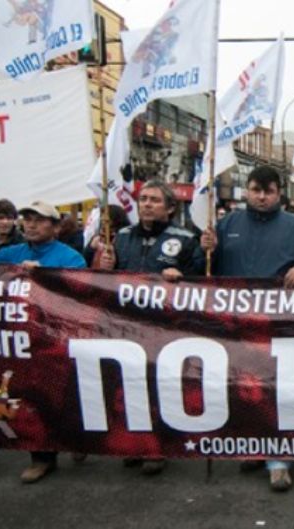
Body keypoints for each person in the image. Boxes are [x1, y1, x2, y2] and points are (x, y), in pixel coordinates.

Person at [199, 165, 294, 492]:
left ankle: (279, 459)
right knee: (243, 388)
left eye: (268, 191)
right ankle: (253, 447)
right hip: (237, 325)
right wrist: (204, 249)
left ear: (279, 195)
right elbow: (201, 270)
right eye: (256, 189)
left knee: (277, 389)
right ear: (246, 191)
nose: (261, 196)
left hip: (281, 325)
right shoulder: (227, 225)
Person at [0, 200, 86, 484]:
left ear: (55, 227)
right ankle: (41, 457)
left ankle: (79, 440)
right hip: (21, 341)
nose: (30, 224)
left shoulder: (71, 258)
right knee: (33, 398)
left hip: (57, 341)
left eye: (39, 219)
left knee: (67, 396)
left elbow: (77, 295)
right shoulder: (10, 253)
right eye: (27, 218)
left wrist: (42, 277)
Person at [95, 181, 202, 475]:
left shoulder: (187, 239)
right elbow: (109, 280)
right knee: (127, 385)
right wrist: (106, 267)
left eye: (155, 200)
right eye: (143, 199)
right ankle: (134, 443)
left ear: (169, 207)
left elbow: (203, 280)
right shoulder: (122, 237)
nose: (147, 204)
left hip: (165, 327)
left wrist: (183, 276)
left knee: (159, 386)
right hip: (127, 325)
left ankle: (157, 447)